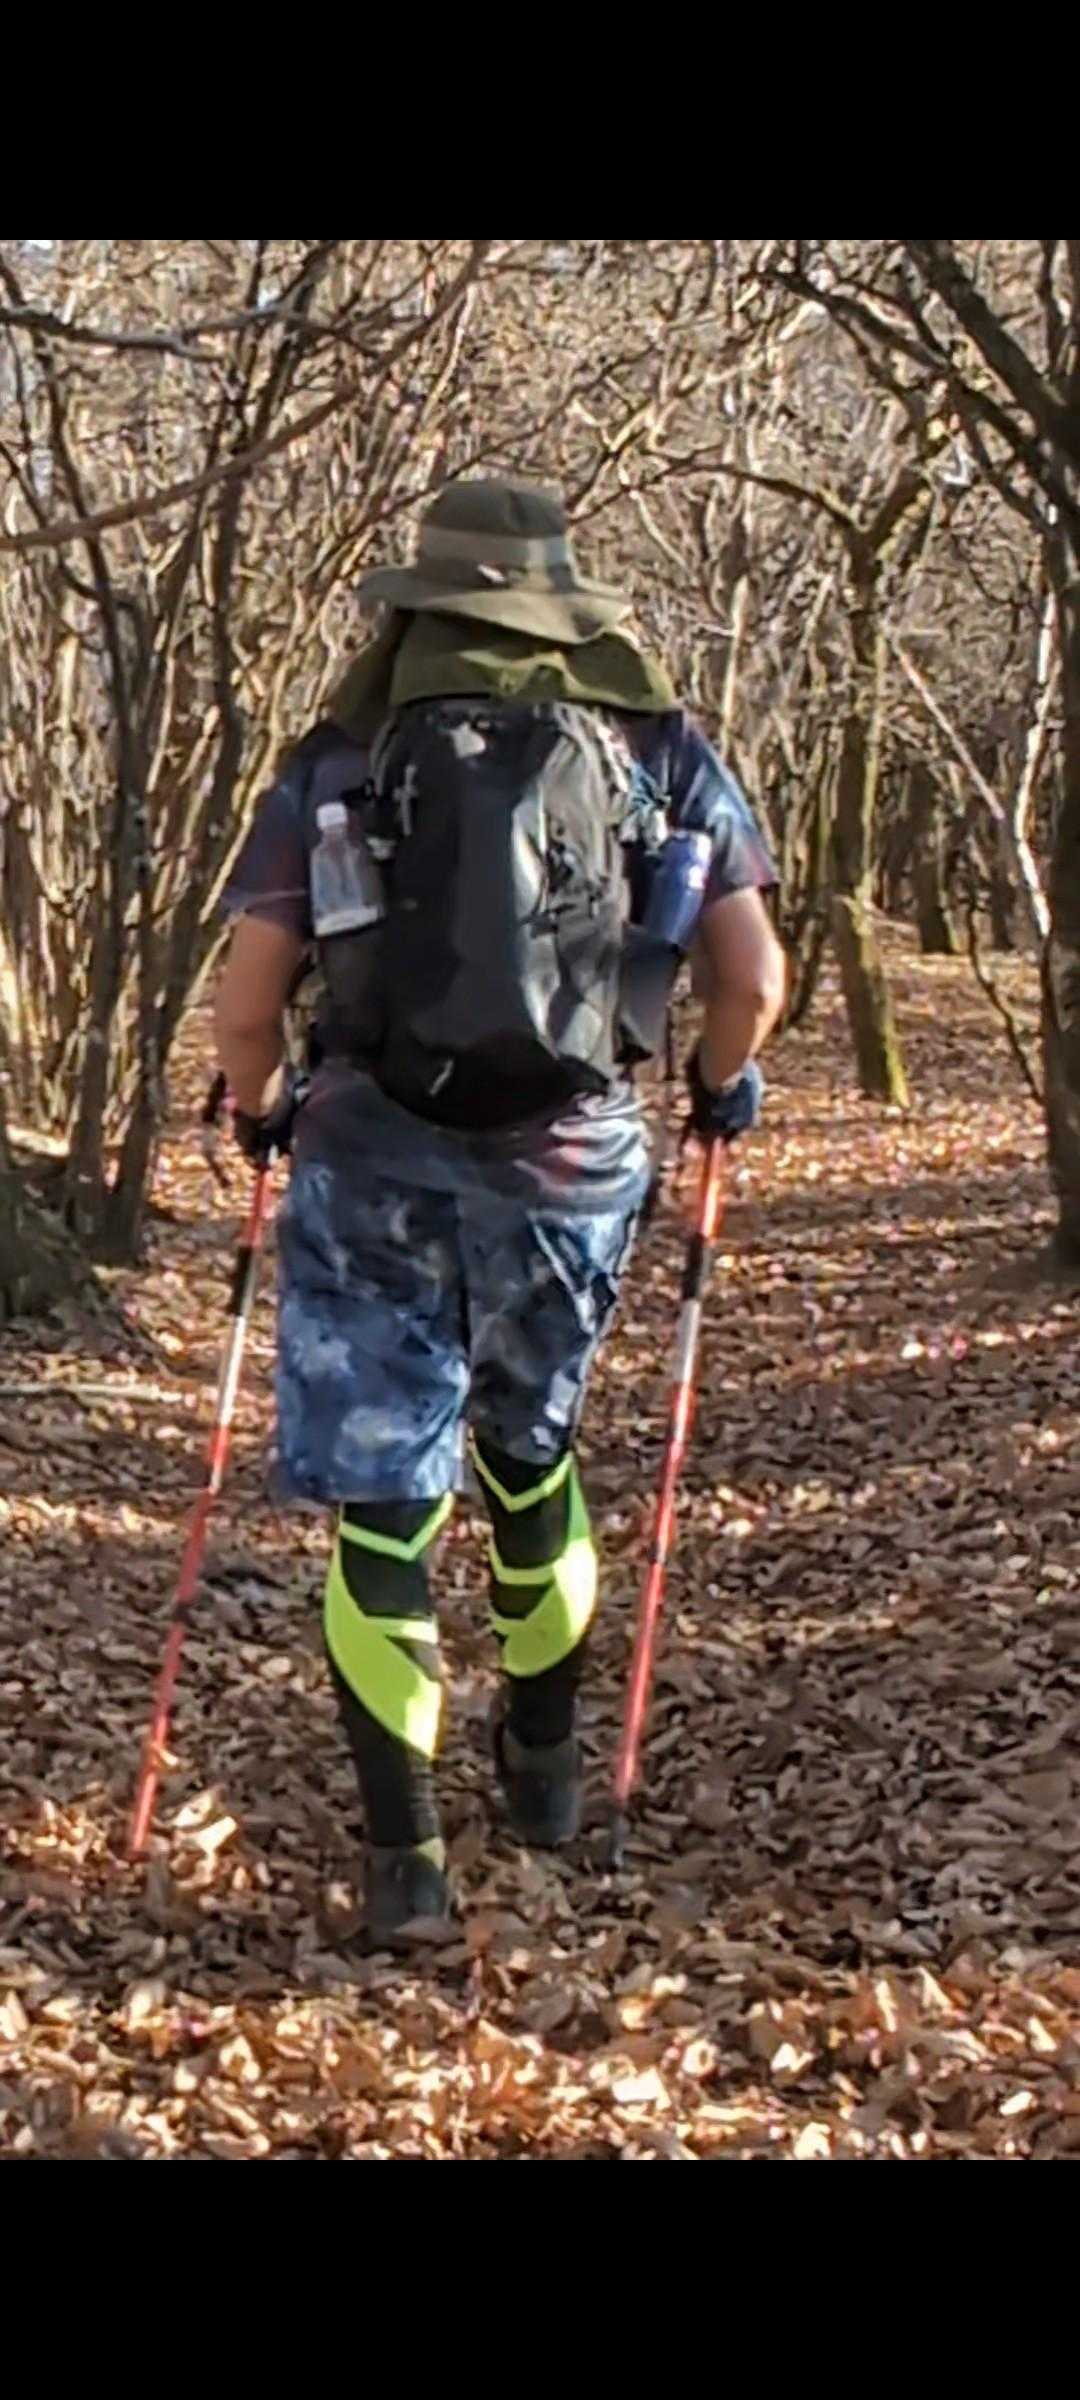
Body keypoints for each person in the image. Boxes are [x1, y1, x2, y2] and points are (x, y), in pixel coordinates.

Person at [214, 479, 785, 1942]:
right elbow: (753, 978)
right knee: (533, 1455)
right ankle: (542, 1771)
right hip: (572, 1166)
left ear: (417, 606)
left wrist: (262, 1104)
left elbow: (248, 1004)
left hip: (369, 1162)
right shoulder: (659, 749)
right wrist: (720, 1083)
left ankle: (404, 1858)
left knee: (387, 1499)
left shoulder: (340, 759)